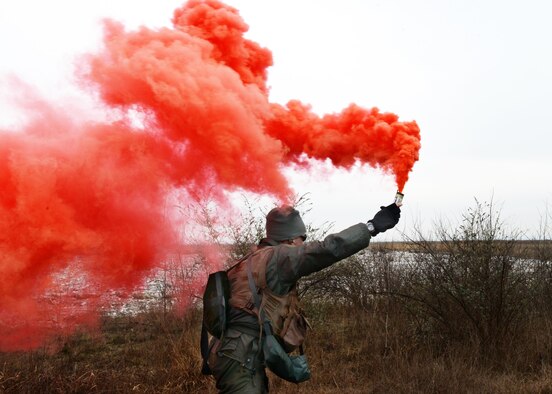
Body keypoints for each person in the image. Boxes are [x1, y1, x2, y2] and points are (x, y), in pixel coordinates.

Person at [208, 203, 401, 393]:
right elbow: (327, 249)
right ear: (290, 239)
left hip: (227, 350)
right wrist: (371, 227)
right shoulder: (279, 257)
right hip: (242, 355)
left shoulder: (249, 259)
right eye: (302, 238)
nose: (303, 243)